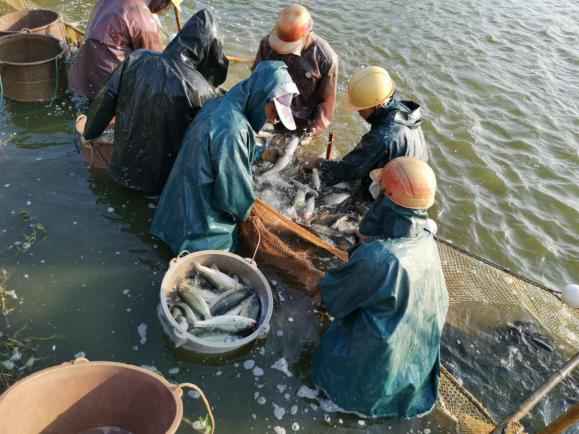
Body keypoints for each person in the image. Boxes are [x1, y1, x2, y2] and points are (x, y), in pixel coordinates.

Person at [311, 156, 448, 419]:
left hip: (365, 387)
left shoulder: (380, 258)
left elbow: (333, 300)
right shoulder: (427, 242)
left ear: (386, 199)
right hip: (413, 380)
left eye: (379, 192)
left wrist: (361, 252)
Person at [150, 61, 299, 254]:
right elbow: (233, 200)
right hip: (198, 233)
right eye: (275, 111)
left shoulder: (219, 104)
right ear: (262, 98)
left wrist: (262, 154)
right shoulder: (233, 129)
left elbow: (219, 152)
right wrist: (252, 206)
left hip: (170, 215)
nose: (275, 119)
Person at [81, 9, 229, 194]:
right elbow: (206, 149)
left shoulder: (137, 58)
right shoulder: (201, 91)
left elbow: (105, 102)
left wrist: (89, 134)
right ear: (209, 51)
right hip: (160, 187)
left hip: (120, 170)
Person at [302, 66, 428, 193]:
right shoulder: (402, 112)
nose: (358, 111)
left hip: (396, 195)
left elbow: (350, 170)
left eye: (361, 108)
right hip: (413, 182)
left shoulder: (383, 135)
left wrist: (318, 162)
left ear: (377, 104)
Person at [252, 4, 338, 141]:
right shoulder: (267, 43)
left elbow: (325, 104)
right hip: (271, 112)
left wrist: (310, 134)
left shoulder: (325, 58)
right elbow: (255, 80)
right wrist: (265, 106)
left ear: (306, 33)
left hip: (301, 122)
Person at [69, 0, 175, 100]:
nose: (168, 9)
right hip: (106, 88)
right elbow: (155, 63)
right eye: (170, 5)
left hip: (79, 76)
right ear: (163, 1)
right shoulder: (144, 20)